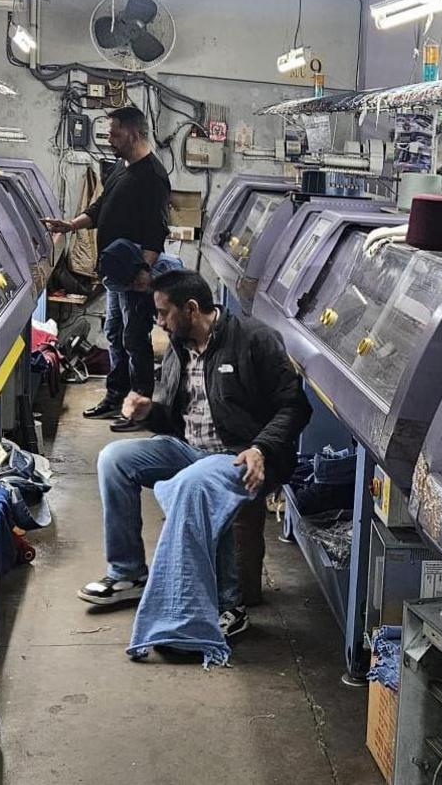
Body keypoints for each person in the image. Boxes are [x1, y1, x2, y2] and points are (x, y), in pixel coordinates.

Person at [80, 269, 310, 660]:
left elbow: (296, 407)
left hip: (241, 454)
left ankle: (228, 606)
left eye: (163, 313)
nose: (159, 322)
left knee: (196, 484)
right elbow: (172, 418)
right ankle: (128, 572)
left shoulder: (255, 339)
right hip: (189, 449)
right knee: (114, 459)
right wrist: (147, 412)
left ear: (190, 309)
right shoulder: (178, 345)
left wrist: (261, 447)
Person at [45, 105, 171, 433]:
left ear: (132, 133)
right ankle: (116, 396)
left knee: (135, 338)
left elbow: (158, 231)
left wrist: (144, 271)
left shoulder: (153, 176)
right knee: (115, 333)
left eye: (114, 133)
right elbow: (100, 208)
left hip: (134, 273)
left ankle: (139, 407)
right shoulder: (121, 166)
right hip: (115, 274)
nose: (109, 139)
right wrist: (70, 225)